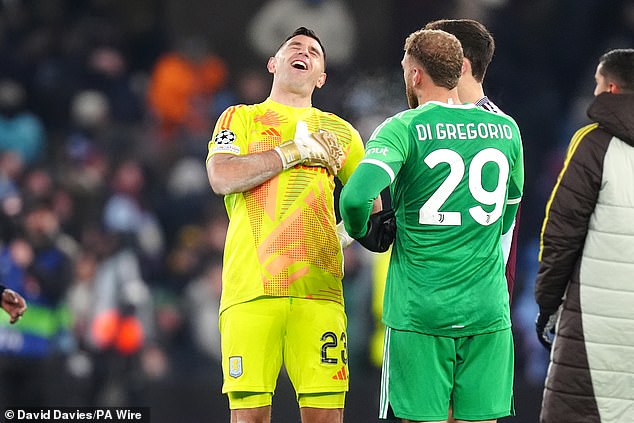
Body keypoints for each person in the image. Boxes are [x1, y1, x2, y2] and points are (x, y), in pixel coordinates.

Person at [339, 29, 523, 422]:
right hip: (487, 310)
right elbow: (506, 217)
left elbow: (355, 198)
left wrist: (363, 230)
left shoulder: (402, 128)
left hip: (422, 311)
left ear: (416, 76)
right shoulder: (507, 130)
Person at [206, 27, 380, 423]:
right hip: (251, 289)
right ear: (274, 63)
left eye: (315, 52)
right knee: (250, 418)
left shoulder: (342, 133)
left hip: (318, 292)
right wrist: (292, 152)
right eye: (294, 48)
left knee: (324, 418)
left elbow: (371, 205)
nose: (304, 52)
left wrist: (342, 234)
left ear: (321, 77)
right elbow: (222, 176)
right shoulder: (240, 117)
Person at [534, 48, 634, 423]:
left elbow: (561, 233)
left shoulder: (593, 143)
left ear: (609, 88)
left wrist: (546, 302)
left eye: (595, 84)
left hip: (593, 323)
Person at [424, 18, 520, 301]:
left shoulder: (498, 132)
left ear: (461, 65)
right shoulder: (502, 126)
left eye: (431, 59)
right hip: (441, 292)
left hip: (473, 295)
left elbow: (506, 227)